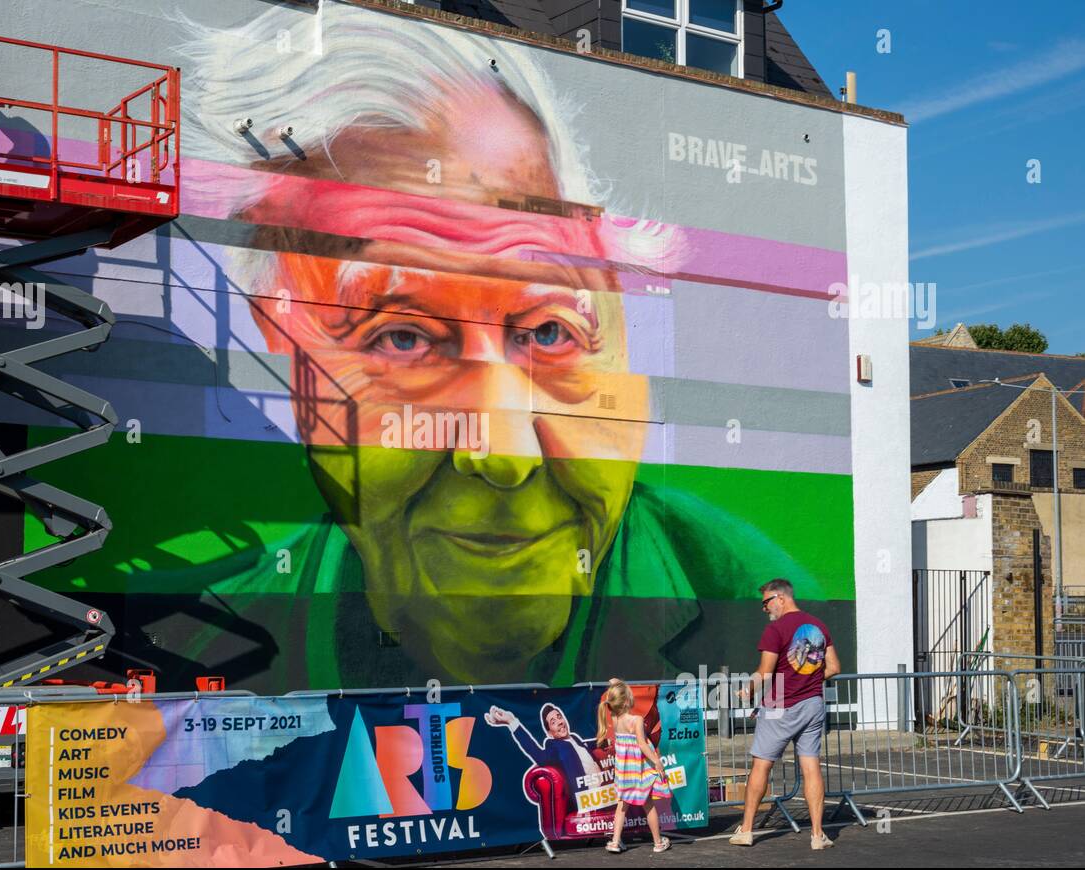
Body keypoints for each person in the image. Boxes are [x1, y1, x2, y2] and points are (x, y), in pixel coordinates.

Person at [169, 6, 827, 693]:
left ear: (625, 333)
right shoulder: (203, 641)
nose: (506, 453)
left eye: (549, 332)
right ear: (295, 366)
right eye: (403, 337)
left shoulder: (751, 595)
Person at [731, 578, 841, 851]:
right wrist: (811, 680)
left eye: (766, 602)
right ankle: (817, 835)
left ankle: (746, 830)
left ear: (780, 597)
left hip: (781, 705)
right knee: (811, 767)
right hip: (812, 704)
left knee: (761, 765)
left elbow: (765, 672)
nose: (764, 608)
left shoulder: (775, 629)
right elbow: (834, 667)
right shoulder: (818, 626)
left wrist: (748, 689)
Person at [486, 702, 600, 812]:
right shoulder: (555, 746)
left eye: (559, 717)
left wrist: (607, 741)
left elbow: (589, 745)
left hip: (603, 790)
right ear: (550, 733)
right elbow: (537, 754)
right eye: (553, 722)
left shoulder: (575, 738)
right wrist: (511, 721)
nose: (559, 722)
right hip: (588, 799)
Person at [599, 678, 670, 854]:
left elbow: (616, 694)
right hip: (638, 772)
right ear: (626, 701)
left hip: (624, 772)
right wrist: (656, 761)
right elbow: (643, 745)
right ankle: (658, 842)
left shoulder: (615, 719)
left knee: (622, 806)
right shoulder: (636, 720)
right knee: (649, 805)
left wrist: (616, 683)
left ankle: (615, 842)